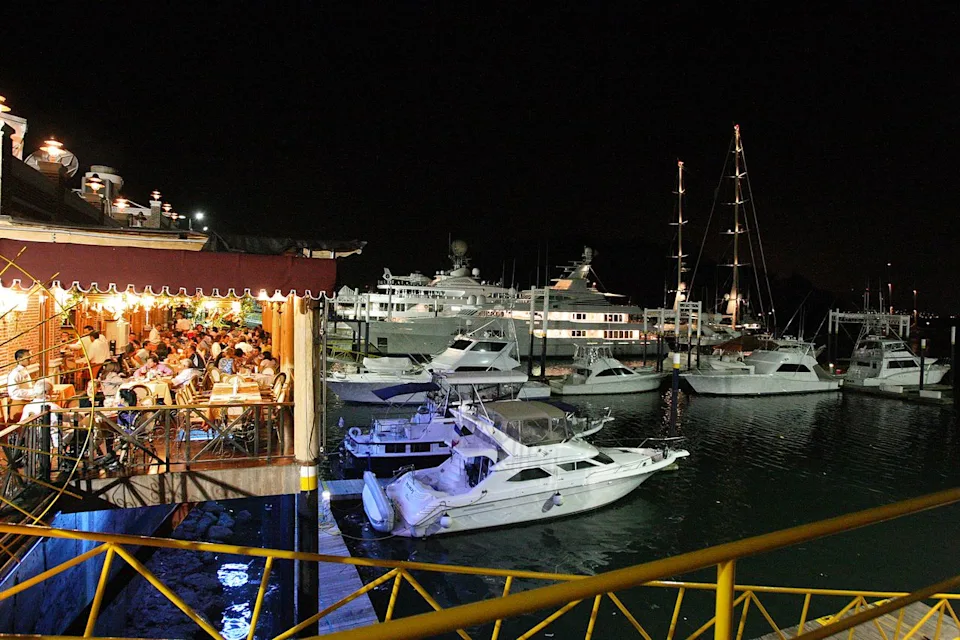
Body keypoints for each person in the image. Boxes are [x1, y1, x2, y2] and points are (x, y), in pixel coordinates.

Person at [19, 379, 64, 449]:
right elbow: (64, 419)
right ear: (46, 392)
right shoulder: (53, 407)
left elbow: (22, 424)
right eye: (52, 391)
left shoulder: (27, 407)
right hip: (52, 441)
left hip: (32, 442)